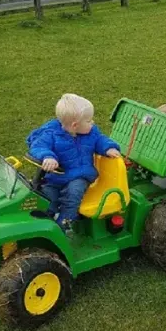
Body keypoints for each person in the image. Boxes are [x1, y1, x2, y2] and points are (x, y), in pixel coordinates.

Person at [27, 94, 121, 231]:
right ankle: (44, 222)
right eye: (89, 121)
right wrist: (47, 156)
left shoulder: (91, 133)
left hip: (80, 175)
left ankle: (65, 222)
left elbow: (100, 140)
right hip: (55, 178)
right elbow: (38, 146)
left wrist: (109, 148)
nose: (93, 123)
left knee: (73, 194)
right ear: (75, 125)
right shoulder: (51, 133)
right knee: (47, 197)